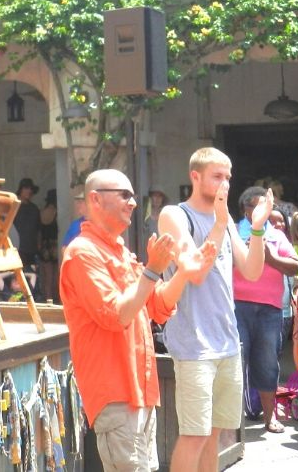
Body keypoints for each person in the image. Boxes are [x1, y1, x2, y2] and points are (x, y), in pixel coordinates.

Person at [60, 168, 214, 472]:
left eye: (133, 195)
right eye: (124, 194)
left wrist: (183, 271)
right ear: (95, 199)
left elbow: (157, 306)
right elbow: (117, 315)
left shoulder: (120, 252)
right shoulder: (82, 252)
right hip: (115, 389)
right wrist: (152, 270)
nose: (133, 202)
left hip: (141, 389)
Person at [157, 147, 273, 470]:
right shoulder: (174, 215)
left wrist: (259, 227)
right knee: (194, 435)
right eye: (217, 177)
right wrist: (220, 223)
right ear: (195, 176)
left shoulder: (227, 222)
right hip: (194, 345)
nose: (225, 184)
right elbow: (194, 272)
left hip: (227, 341)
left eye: (228, 177)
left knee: (216, 434)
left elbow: (251, 270)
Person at [233, 187, 298, 434]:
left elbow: (294, 267)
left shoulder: (277, 236)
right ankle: (233, 421)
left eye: (265, 206)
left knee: (268, 363)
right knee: (236, 363)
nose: (260, 211)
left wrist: (270, 258)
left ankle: (269, 417)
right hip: (237, 306)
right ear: (245, 210)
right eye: (254, 206)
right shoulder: (233, 234)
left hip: (270, 310)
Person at [14, 177, 41, 270]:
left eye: (30, 189)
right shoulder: (13, 207)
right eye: (26, 188)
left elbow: (38, 230)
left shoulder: (34, 209)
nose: (29, 191)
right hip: (17, 248)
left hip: (32, 250)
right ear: (21, 189)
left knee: (32, 276)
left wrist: (39, 247)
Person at [38, 188, 59, 302]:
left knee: (47, 276)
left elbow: (39, 230)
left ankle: (48, 298)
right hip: (54, 245)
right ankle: (53, 299)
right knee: (54, 276)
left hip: (45, 246)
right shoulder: (57, 211)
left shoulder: (43, 212)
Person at [60, 186, 87, 254]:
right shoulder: (75, 224)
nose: (78, 205)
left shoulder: (100, 223)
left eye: (81, 202)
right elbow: (64, 248)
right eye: (78, 202)